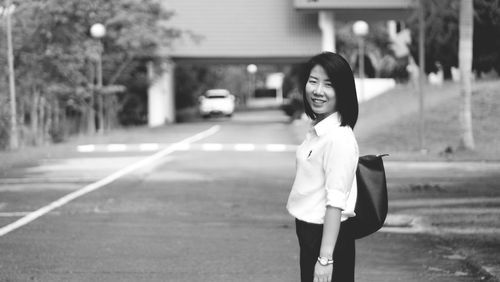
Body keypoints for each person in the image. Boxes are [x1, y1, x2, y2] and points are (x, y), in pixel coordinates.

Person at [287, 52, 359, 282]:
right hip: (311, 235)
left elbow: (336, 202)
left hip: (326, 239)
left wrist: (325, 259)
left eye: (329, 84)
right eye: (313, 81)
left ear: (343, 91)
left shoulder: (339, 138)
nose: (318, 91)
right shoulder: (319, 131)